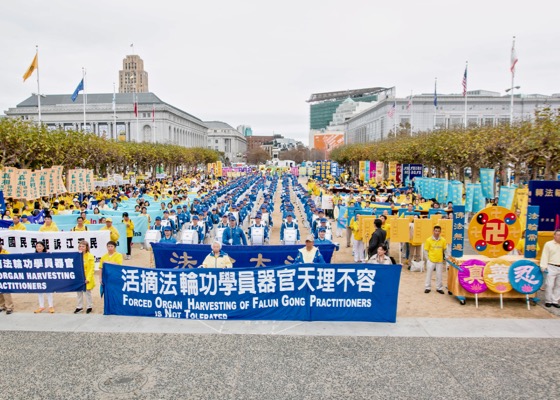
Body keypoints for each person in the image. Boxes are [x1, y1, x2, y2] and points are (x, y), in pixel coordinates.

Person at [424, 225, 447, 294]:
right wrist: (428, 259)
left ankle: (439, 288)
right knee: (429, 274)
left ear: (440, 232)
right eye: (435, 231)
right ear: (433, 231)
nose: (437, 232)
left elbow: (445, 250)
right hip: (431, 260)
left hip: (439, 260)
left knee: (439, 275)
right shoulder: (428, 240)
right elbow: (425, 250)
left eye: (438, 231)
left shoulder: (443, 240)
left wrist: (446, 257)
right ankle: (427, 287)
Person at [540, 229, 560, 308]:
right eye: (558, 235)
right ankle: (548, 300)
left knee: (559, 285)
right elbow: (545, 255)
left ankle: (555, 301)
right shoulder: (548, 244)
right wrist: (543, 266)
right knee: (549, 284)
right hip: (551, 266)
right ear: (554, 236)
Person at [34, 241, 55, 313]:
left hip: (46, 275)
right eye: (37, 246)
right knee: (39, 291)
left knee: (49, 291)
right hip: (38, 275)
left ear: (43, 247)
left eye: (40, 246)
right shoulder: (33, 256)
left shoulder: (47, 255)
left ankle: (51, 306)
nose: (38, 247)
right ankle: (41, 306)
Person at [75, 240, 95, 314]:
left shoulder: (90, 256)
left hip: (86, 277)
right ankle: (79, 306)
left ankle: (89, 306)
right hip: (79, 277)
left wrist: (88, 278)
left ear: (86, 247)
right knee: (79, 292)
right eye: (80, 246)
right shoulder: (77, 255)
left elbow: (91, 268)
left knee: (87, 292)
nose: (81, 248)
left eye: (83, 246)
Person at [0, 244, 14, 314]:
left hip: (4, 274)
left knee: (6, 291)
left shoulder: (5, 252)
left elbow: (10, 261)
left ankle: (9, 307)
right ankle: (2, 306)